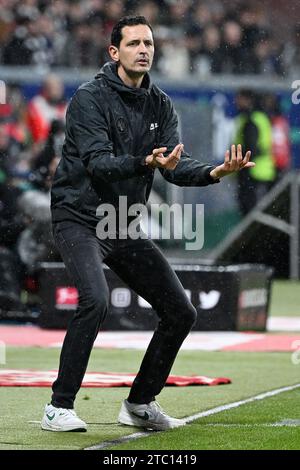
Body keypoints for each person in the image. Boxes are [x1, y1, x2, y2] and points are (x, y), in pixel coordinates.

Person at [41, 15, 254, 433]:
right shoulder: (89, 98)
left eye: (149, 43)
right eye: (135, 43)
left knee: (180, 311)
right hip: (79, 217)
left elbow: (175, 166)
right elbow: (99, 164)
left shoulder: (161, 104)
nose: (144, 49)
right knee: (95, 301)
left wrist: (214, 172)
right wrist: (145, 161)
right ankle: (58, 407)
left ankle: (139, 403)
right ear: (114, 52)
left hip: (121, 223)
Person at [235, 89, 275, 215]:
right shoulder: (262, 118)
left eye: (239, 98)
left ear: (247, 100)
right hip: (264, 171)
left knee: (251, 214)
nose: (236, 101)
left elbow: (251, 149)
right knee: (262, 212)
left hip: (252, 172)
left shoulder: (251, 120)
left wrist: (238, 165)